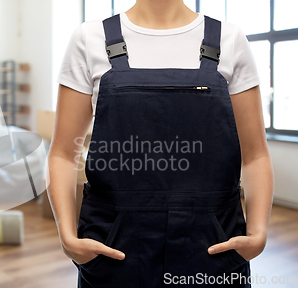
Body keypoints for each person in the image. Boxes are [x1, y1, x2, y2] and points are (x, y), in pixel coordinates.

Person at [46, 0, 274, 287]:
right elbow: (64, 153)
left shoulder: (230, 40)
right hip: (115, 250)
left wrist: (258, 232)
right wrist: (68, 238)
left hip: (213, 246)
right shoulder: (89, 39)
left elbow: (255, 155)